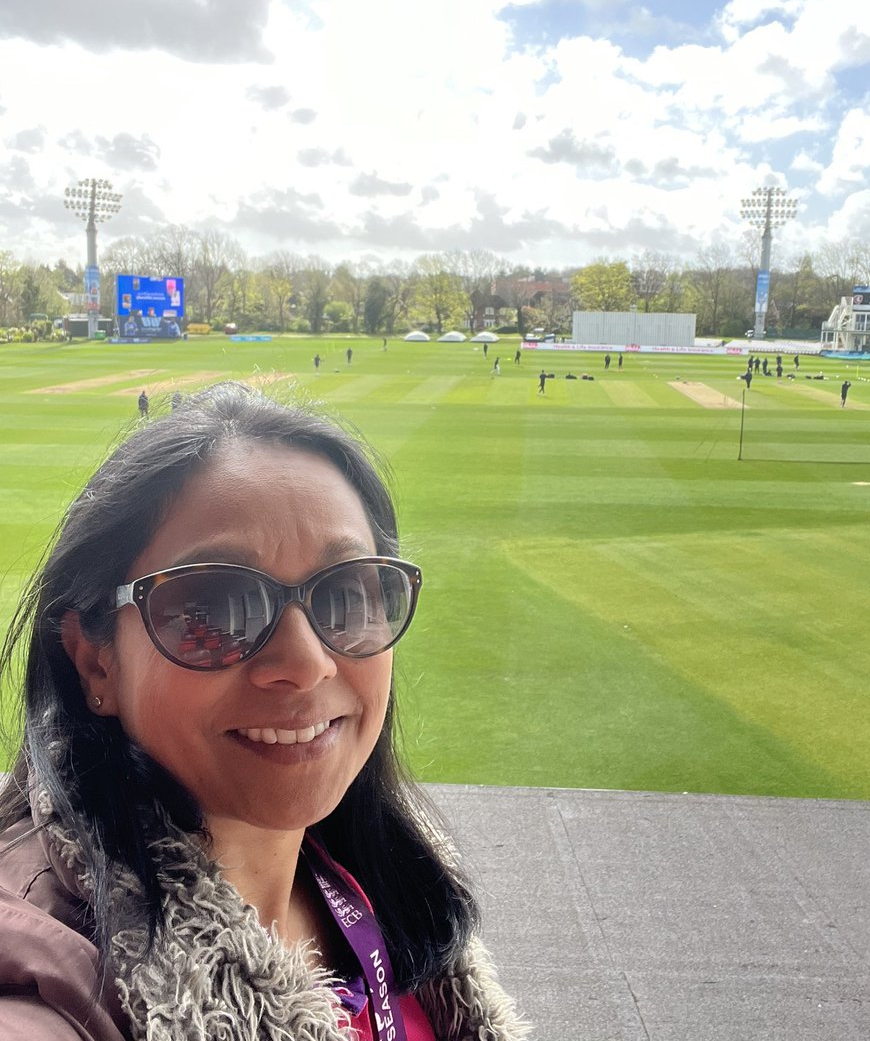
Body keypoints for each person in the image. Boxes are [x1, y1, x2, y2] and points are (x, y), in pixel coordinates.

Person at [0, 384, 528, 1041]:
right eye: (211, 608)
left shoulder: (380, 870)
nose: (306, 663)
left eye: (346, 592)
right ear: (95, 663)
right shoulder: (49, 982)